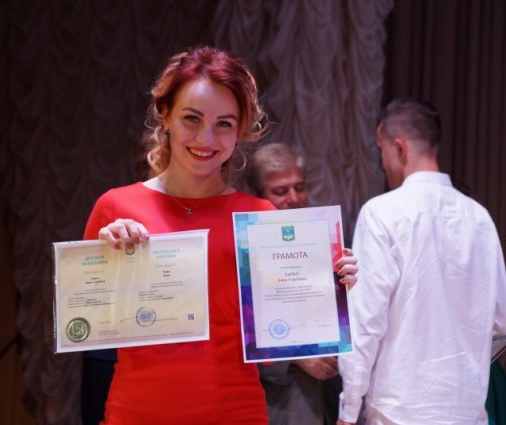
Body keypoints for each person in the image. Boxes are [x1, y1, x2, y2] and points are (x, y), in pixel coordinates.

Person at [82, 45, 358, 425]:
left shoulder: (260, 218)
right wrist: (102, 262)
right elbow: (91, 327)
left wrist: (333, 285)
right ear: (165, 115)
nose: (206, 137)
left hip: (236, 413)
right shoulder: (116, 208)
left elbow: (289, 333)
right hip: (136, 414)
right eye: (191, 118)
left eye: (224, 124)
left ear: (241, 130)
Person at [338, 98, 506, 425]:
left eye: (381, 150)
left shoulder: (381, 213)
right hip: (466, 413)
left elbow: (367, 323)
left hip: (398, 411)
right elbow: (500, 317)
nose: (382, 162)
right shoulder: (480, 218)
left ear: (400, 148)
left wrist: (348, 409)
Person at [246, 142, 341, 425]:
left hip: (330, 397)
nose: (294, 198)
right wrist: (295, 356)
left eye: (299, 187)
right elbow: (233, 335)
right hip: (279, 402)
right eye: (280, 191)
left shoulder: (324, 239)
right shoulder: (241, 251)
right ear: (257, 195)